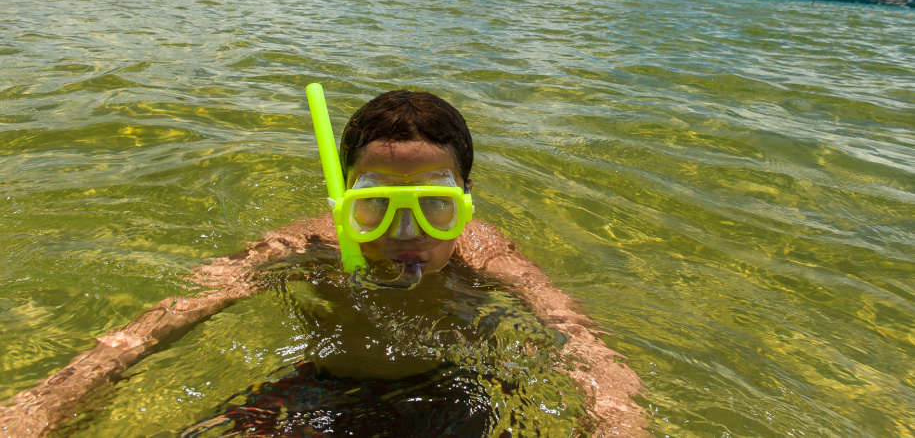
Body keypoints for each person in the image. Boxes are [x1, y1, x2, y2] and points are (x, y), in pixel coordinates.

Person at [0, 89, 646, 437]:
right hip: (321, 390)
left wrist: (617, 418)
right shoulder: (306, 246)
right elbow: (173, 312)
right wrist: (53, 395)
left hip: (458, 394)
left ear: (466, 203)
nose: (404, 232)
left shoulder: (484, 252)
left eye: (433, 207)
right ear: (339, 202)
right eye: (374, 207)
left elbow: (575, 335)